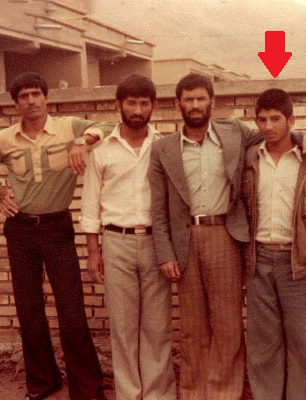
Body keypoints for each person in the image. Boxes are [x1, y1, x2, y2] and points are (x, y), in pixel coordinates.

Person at [148, 73, 306, 400]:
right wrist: (164, 252)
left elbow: (275, 131)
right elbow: (158, 207)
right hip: (185, 240)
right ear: (177, 104)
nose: (195, 105)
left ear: (212, 102)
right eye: (188, 99)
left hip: (224, 236)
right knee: (193, 326)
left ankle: (225, 393)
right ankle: (194, 393)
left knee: (228, 323)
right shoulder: (163, 149)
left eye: (201, 98)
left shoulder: (233, 132)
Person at [0, 73, 107, 400]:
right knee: (29, 309)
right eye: (24, 96)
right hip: (20, 230)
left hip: (57, 228)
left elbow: (107, 127)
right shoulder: (5, 138)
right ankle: (43, 382)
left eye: (36, 94)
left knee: (71, 310)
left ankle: (86, 389)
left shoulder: (68, 127)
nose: (31, 100)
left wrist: (82, 142)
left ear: (46, 97)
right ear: (15, 102)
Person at [241, 88, 306, 400]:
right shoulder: (249, 160)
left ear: (291, 121)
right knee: (262, 347)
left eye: (275, 119)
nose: (268, 126)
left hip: (298, 266)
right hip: (259, 264)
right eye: (262, 119)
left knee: (302, 346)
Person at [80, 74, 176, 400]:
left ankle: (158, 395)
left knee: (157, 326)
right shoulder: (101, 150)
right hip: (115, 242)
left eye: (144, 104)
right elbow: (90, 204)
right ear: (118, 105)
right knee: (123, 327)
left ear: (153, 106)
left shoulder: (163, 145)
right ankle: (129, 395)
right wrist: (93, 252)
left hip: (155, 243)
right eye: (131, 103)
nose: (137, 110)